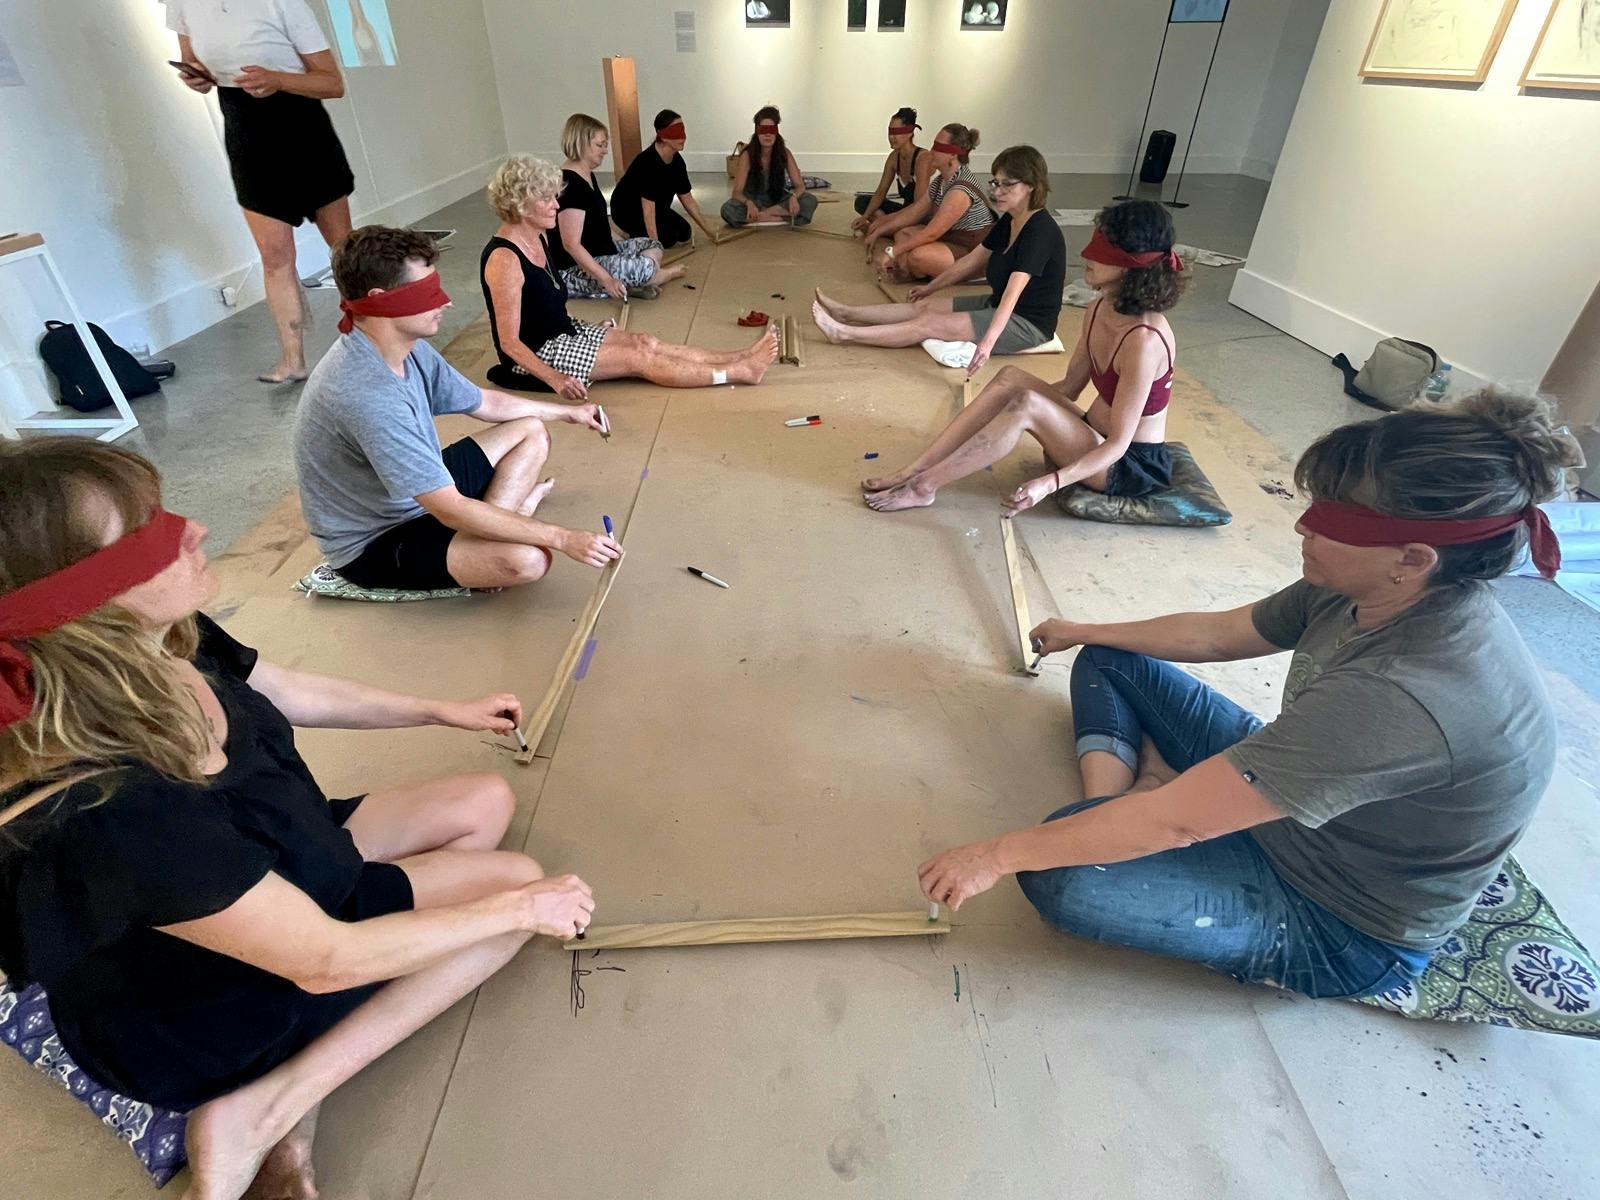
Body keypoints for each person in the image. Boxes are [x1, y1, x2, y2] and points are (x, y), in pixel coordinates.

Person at [0, 438, 597, 1200]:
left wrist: (440, 710)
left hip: (264, 851)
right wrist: (522, 908)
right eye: (146, 533)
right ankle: (263, 1107)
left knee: (486, 802)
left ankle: (287, 1071)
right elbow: (326, 959)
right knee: (511, 897)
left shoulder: (160, 642)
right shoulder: (111, 810)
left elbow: (285, 691)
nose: (196, 531)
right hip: (195, 1011)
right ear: (72, 607)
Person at [917, 390, 1580, 1001]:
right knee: (1111, 664)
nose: (1302, 528)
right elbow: (1222, 633)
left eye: (1330, 518)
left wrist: (994, 855)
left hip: (1339, 917)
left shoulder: (1403, 693)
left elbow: (1176, 825)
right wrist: (1085, 628)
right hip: (1304, 791)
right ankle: (1120, 803)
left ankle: (1128, 807)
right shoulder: (1365, 582)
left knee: (1059, 871)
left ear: (1411, 558)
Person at [295, 225, 623, 592]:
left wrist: (567, 412)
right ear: (380, 299)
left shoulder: (409, 347)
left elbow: (485, 401)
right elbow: (447, 507)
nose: (446, 301)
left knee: (530, 429)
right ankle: (499, 532)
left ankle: (494, 530)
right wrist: (562, 538)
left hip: (413, 493)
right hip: (376, 538)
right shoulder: (367, 393)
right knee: (527, 561)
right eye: (428, 292)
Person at [855, 199, 1176, 515]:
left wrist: (1049, 482)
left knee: (1026, 405)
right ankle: (916, 469)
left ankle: (923, 488)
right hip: (1092, 432)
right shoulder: (1098, 308)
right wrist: (1002, 417)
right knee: (1012, 379)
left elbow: (1118, 444)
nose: (1085, 255)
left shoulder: (1144, 341)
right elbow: (1070, 387)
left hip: (1125, 465)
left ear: (1128, 264)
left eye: (1101, 248)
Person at [481, 156, 779, 399]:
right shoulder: (504, 259)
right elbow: (509, 342)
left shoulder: (538, 237)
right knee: (640, 359)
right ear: (520, 203)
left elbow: (544, 304)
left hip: (564, 331)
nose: (557, 205)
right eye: (546, 199)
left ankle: (739, 357)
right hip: (541, 354)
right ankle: (737, 372)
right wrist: (556, 379)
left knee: (645, 341)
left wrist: (586, 331)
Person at [167, 0, 355, 385]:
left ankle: (374, 343)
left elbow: (332, 83)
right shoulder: (180, 4)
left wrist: (279, 79)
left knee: (346, 251)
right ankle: (292, 358)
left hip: (303, 131)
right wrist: (197, 77)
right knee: (275, 256)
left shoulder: (282, 3)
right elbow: (193, 61)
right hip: (246, 135)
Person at [553, 113, 685, 301]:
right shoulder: (570, 185)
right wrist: (607, 279)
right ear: (581, 144)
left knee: (654, 244)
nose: (605, 151)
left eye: (605, 144)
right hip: (574, 269)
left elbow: (598, 223)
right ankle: (656, 277)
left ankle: (634, 281)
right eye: (600, 145)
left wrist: (621, 245)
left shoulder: (586, 174)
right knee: (646, 267)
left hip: (602, 251)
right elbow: (571, 245)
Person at [861, 123, 994, 280]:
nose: (931, 151)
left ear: (952, 154)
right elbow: (913, 213)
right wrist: (879, 231)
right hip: (951, 239)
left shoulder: (960, 190)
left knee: (918, 257)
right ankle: (909, 269)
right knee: (904, 232)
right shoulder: (940, 181)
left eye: (938, 147)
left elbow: (931, 233)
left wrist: (892, 252)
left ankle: (962, 272)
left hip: (972, 250)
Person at [609, 110, 722, 249]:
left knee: (684, 232)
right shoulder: (647, 163)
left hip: (659, 209)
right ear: (663, 136)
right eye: (676, 132)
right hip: (628, 211)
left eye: (683, 130)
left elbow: (687, 198)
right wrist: (654, 244)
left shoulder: (678, 162)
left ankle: (642, 235)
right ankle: (631, 235)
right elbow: (648, 208)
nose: (683, 137)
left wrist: (707, 229)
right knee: (666, 239)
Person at [719, 106, 818, 228]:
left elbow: (800, 185)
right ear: (756, 131)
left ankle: (762, 217)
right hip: (754, 200)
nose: (767, 134)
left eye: (771, 130)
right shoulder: (747, 155)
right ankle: (780, 219)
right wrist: (749, 203)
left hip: (778, 200)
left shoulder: (784, 153)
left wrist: (793, 197)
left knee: (810, 200)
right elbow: (737, 192)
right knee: (727, 210)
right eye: (763, 130)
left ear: (777, 131)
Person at [851, 107, 931, 229]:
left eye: (896, 132)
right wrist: (865, 217)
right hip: (905, 211)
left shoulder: (922, 158)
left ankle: (886, 226)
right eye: (890, 132)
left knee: (905, 225)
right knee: (861, 202)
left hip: (921, 216)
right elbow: (881, 191)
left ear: (909, 133)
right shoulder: (894, 157)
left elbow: (919, 205)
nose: (891, 137)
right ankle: (888, 226)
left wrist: (887, 220)